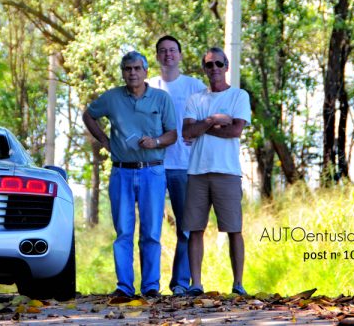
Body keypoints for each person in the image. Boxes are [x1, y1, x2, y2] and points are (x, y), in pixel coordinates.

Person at [82, 50, 178, 298]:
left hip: (152, 172)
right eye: (128, 69)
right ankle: (124, 286)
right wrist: (104, 140)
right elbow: (88, 115)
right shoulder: (112, 97)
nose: (132, 73)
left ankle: (151, 287)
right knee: (123, 231)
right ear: (123, 73)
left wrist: (156, 142)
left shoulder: (161, 98)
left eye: (137, 68)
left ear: (146, 71)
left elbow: (173, 134)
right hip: (121, 172)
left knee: (151, 233)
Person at [181, 47, 251, 297]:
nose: (214, 69)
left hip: (227, 171)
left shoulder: (239, 96)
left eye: (219, 64)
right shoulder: (195, 99)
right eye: (209, 65)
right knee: (195, 228)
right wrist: (213, 120)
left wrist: (202, 126)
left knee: (234, 229)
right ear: (204, 69)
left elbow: (235, 131)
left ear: (226, 66)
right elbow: (187, 132)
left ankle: (238, 284)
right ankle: (196, 284)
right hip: (197, 172)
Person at [149, 35, 206, 296]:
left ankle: (181, 282)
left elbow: (207, 121)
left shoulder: (195, 86)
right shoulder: (149, 86)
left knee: (186, 227)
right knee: (151, 229)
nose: (168, 54)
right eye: (163, 51)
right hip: (152, 165)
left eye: (172, 50)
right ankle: (149, 285)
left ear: (180, 55)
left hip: (184, 165)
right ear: (157, 56)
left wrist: (198, 135)